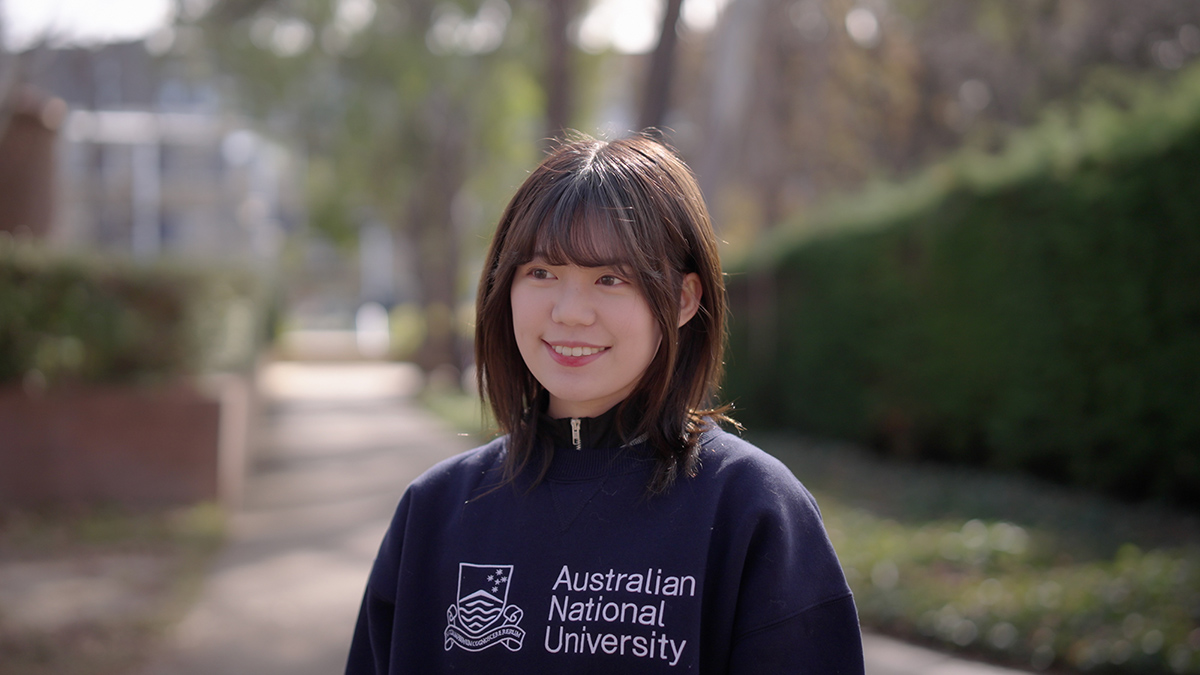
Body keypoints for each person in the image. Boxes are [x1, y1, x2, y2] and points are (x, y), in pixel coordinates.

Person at [346, 133, 864, 674]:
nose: (570, 312)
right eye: (541, 273)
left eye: (610, 278)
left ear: (683, 299)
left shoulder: (752, 509)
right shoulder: (435, 511)